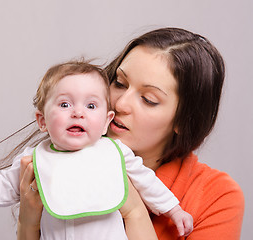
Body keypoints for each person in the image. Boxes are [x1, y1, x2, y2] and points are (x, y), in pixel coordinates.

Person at [16, 27, 245, 240]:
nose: (121, 104)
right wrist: (27, 226)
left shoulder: (217, 196)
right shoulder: (57, 158)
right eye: (120, 82)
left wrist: (134, 210)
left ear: (184, 120)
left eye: (148, 99)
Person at [0, 60, 193, 239]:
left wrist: (174, 210)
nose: (78, 112)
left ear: (106, 121)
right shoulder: (33, 159)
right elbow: (3, 189)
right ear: (42, 121)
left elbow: (146, 182)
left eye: (91, 105)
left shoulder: (115, 153)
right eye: (65, 104)